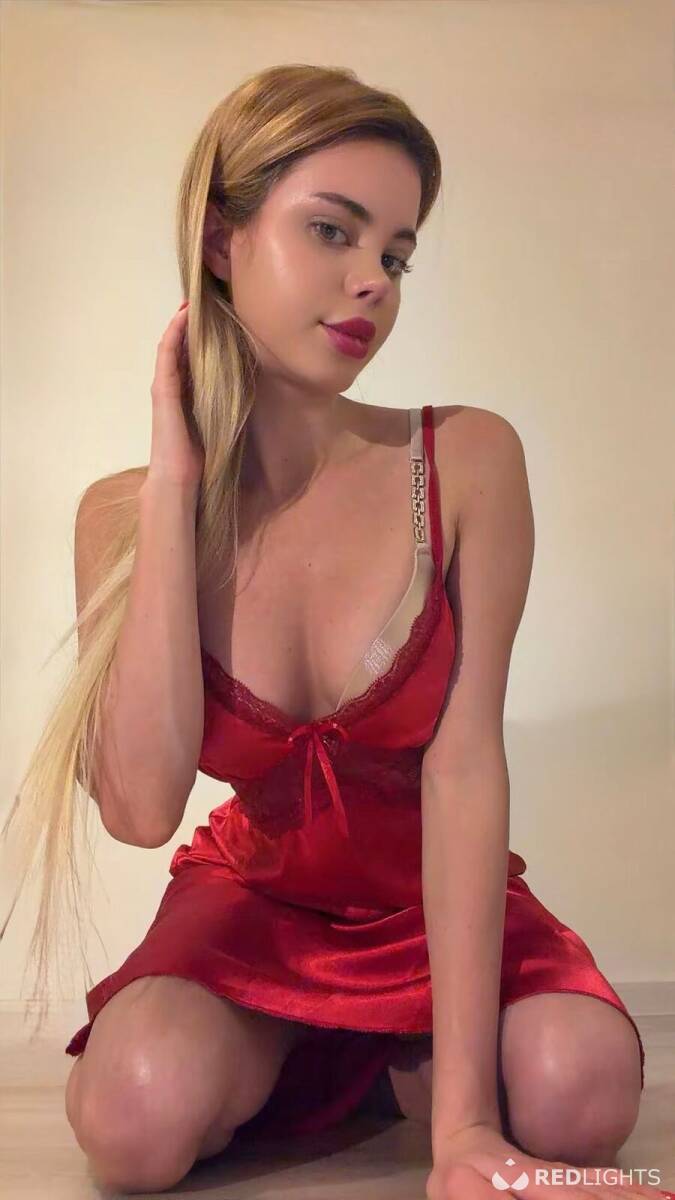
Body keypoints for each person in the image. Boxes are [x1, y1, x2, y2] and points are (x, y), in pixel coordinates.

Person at [4, 64, 665, 1200]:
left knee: (580, 1099)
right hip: (255, 912)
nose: (371, 282)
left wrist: (466, 1132)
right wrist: (173, 485)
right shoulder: (120, 514)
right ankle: (315, 1052)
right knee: (131, 1123)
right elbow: (143, 811)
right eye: (331, 231)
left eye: (395, 255)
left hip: (434, 905)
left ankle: (398, 1071)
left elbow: (464, 767)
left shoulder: (465, 459)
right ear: (221, 242)